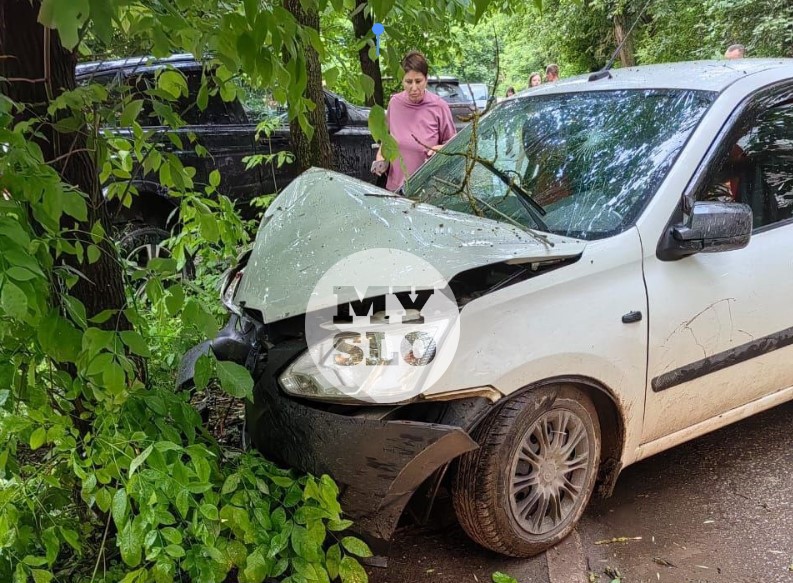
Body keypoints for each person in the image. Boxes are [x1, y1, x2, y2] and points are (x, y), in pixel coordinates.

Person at [371, 51, 457, 192]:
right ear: (402, 81)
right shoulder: (395, 103)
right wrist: (381, 157)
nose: (414, 88)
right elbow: (387, 139)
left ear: (426, 79)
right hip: (395, 189)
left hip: (428, 190)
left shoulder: (439, 106)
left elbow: (454, 145)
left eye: (418, 81)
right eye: (408, 82)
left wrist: (440, 149)